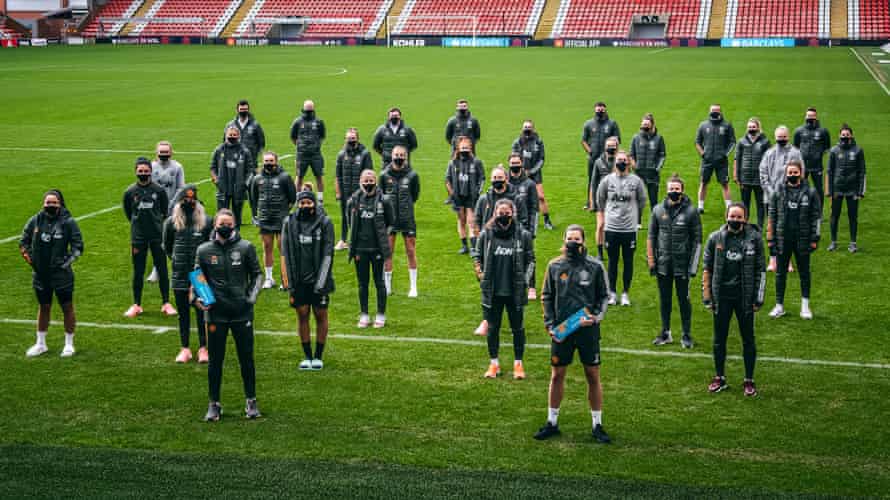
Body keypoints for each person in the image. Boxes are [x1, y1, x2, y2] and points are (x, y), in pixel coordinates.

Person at [534, 224, 611, 444]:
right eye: (570, 238)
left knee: (592, 375)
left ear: (583, 241)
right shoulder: (555, 266)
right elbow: (546, 295)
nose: (573, 242)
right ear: (564, 240)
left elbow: (604, 296)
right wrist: (549, 323)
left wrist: (596, 317)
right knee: (557, 375)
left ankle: (597, 425)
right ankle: (552, 422)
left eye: (577, 239)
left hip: (588, 331)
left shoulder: (595, 266)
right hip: (563, 331)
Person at [194, 209, 263, 421]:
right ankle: (214, 404)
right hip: (216, 315)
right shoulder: (204, 250)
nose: (225, 226)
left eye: (229, 223)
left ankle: (251, 401)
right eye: (221, 223)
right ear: (215, 224)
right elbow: (198, 276)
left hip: (242, 313)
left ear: (234, 225)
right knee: (215, 361)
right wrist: (198, 298)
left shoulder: (246, 247)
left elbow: (258, 274)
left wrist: (250, 298)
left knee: (246, 359)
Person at [702, 203, 765, 397]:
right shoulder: (715, 238)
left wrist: (758, 298)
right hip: (722, 298)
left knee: (748, 339)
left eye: (739, 217)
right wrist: (707, 296)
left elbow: (760, 271)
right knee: (719, 339)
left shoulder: (755, 239)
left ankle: (749, 380)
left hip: (744, 298)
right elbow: (707, 269)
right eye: (732, 216)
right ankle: (719, 377)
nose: (735, 220)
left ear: (745, 219)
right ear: (726, 216)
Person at [473, 199, 534, 380]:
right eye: (501, 212)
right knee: (493, 329)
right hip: (493, 291)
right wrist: (481, 276)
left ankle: (518, 364)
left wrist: (525, 282)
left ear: (513, 214)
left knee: (518, 329)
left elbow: (530, 260)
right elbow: (477, 256)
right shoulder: (486, 235)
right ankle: (494, 364)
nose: (504, 215)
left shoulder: (523, 235)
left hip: (514, 292)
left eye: (507, 212)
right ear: (495, 214)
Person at [19, 190, 83, 358]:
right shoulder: (36, 220)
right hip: (41, 274)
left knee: (67, 307)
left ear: (60, 204)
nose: (50, 206)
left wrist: (65, 263)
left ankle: (69, 344)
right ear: (43, 204)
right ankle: (41, 344)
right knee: (44, 306)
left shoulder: (68, 222)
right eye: (48, 203)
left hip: (61, 275)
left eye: (54, 203)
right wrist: (32, 261)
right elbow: (23, 242)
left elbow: (78, 247)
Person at [281, 189, 335, 370]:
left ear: (314, 204)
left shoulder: (325, 222)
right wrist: (288, 281)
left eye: (308, 203)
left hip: (320, 279)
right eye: (302, 203)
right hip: (298, 280)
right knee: (302, 314)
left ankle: (318, 356)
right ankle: (307, 356)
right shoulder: (289, 222)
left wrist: (321, 282)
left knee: (320, 315)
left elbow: (328, 254)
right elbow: (285, 253)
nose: (305, 206)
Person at [647, 175, 701, 348]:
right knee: (665, 300)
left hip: (682, 265)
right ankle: (666, 332)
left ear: (682, 190)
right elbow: (651, 237)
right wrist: (651, 260)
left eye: (677, 189)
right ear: (666, 190)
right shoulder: (657, 210)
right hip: (663, 264)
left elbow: (697, 241)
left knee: (684, 300)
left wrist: (693, 267)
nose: (674, 191)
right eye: (671, 188)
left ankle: (686, 334)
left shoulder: (691, 211)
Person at [162, 184, 212, 363]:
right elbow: (167, 246)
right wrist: (176, 260)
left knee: (202, 313)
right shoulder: (171, 222)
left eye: (192, 198)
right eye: (185, 198)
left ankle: (203, 348)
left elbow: (211, 247)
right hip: (180, 273)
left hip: (200, 275)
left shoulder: (207, 221)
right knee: (183, 313)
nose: (189, 201)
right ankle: (185, 348)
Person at [122, 157, 175, 318]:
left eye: (146, 171)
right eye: (140, 171)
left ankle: (166, 303)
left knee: (162, 268)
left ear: (151, 172)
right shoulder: (130, 192)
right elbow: (128, 213)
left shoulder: (159, 191)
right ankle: (137, 304)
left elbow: (165, 212)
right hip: (138, 237)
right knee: (138, 271)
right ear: (136, 172)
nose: (143, 173)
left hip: (157, 236)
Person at [767, 160, 820, 320]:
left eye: (795, 172)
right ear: (786, 174)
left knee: (804, 273)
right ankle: (779, 306)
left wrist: (814, 238)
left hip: (802, 239)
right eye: (789, 173)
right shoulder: (778, 191)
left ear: (801, 173)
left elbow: (816, 217)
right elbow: (772, 214)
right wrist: (770, 237)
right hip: (783, 238)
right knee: (780, 273)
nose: (792, 175)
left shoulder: (810, 192)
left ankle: (805, 307)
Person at [596, 150, 646, 306]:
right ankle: (612, 293)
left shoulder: (636, 181)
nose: (621, 162)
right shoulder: (607, 181)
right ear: (615, 162)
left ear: (629, 162)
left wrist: (635, 217)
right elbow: (600, 199)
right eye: (619, 159)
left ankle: (625, 293)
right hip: (611, 228)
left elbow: (642, 200)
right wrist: (607, 216)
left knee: (628, 260)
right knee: (612, 261)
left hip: (629, 229)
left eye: (624, 159)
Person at [347, 170, 394, 329]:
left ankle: (381, 315)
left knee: (379, 282)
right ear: (360, 181)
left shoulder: (384, 200)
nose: (368, 183)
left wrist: (381, 239)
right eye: (365, 180)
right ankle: (364, 314)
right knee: (362, 283)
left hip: (377, 249)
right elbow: (350, 222)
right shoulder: (353, 200)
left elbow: (390, 221)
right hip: (360, 249)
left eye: (371, 180)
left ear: (376, 181)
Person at [248, 151, 297, 289]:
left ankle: (285, 280)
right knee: (267, 247)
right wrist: (256, 215)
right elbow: (253, 198)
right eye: (266, 161)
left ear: (276, 161)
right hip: (265, 219)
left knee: (283, 249)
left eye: (271, 161)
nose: (268, 163)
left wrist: (284, 212)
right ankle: (269, 279)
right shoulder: (257, 179)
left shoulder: (285, 177)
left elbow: (292, 198)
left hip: (281, 219)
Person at [759, 125, 802, 272]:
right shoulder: (769, 153)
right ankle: (772, 260)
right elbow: (763, 174)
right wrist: (772, 194)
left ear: (788, 137)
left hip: (790, 198)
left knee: (787, 230)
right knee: (771, 228)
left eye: (784, 137)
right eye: (779, 138)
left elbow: (801, 173)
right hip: (770, 199)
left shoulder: (796, 153)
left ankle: (788, 261)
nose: (781, 140)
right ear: (775, 137)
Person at [380, 145, 421, 298]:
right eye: (396, 154)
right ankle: (387, 287)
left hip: (407, 218)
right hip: (390, 220)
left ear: (406, 156)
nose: (399, 157)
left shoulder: (412, 175)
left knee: (410, 251)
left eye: (402, 155)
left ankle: (413, 287)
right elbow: (381, 195)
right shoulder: (384, 175)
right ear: (391, 156)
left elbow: (415, 195)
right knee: (388, 252)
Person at [146, 141, 186, 283]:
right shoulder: (151, 167)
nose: (164, 155)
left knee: (174, 241)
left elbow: (181, 189)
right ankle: (157, 269)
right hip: (154, 210)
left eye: (166, 152)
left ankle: (177, 268)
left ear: (171, 152)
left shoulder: (177, 167)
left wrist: (171, 205)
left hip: (173, 210)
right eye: (161, 153)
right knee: (156, 241)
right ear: (156, 153)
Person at [827, 124, 866, 253]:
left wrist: (860, 191)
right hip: (837, 189)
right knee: (834, 216)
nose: (845, 137)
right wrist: (829, 191)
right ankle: (833, 242)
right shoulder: (834, 151)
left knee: (853, 217)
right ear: (839, 135)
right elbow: (829, 171)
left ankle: (853, 243)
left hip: (852, 190)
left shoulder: (858, 151)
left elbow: (862, 172)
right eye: (843, 135)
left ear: (851, 135)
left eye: (847, 135)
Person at [507, 152, 539, 300]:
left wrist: (532, 230)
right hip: (507, 228)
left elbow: (534, 208)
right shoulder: (505, 183)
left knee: (529, 258)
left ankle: (531, 286)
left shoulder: (530, 184)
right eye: (512, 163)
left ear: (521, 164)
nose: (514, 165)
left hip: (524, 228)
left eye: (517, 163)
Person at [335, 128, 373, 251]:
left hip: (359, 192)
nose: (351, 140)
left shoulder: (365, 154)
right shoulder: (341, 154)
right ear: (345, 139)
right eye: (349, 138)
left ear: (357, 138)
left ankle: (358, 241)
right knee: (344, 216)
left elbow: (369, 174)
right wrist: (338, 192)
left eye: (353, 138)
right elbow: (338, 175)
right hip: (345, 191)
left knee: (360, 216)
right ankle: (343, 240)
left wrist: (366, 192)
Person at [445, 136, 486, 254]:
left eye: (467, 147)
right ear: (458, 148)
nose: (464, 150)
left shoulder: (476, 162)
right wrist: (452, 194)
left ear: (471, 148)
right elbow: (447, 180)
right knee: (461, 221)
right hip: (458, 197)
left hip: (471, 197)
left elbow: (482, 178)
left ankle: (473, 248)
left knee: (471, 222)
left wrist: (478, 192)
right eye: (462, 147)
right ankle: (464, 246)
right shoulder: (453, 163)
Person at [210, 126, 256, 229]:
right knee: (221, 216)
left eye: (234, 135)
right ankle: (220, 237)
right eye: (230, 135)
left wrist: (245, 184)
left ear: (239, 136)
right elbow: (212, 167)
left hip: (238, 189)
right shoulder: (219, 150)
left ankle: (236, 238)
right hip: (223, 188)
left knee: (237, 217)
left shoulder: (245, 151)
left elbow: (251, 170)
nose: (232, 137)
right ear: (226, 135)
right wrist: (216, 180)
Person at [512, 120, 553, 230]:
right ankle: (519, 220)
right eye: (525, 126)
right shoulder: (517, 142)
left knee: (541, 197)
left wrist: (531, 171)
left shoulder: (538, 142)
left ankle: (547, 220)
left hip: (535, 174)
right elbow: (513, 158)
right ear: (522, 128)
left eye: (529, 127)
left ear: (533, 129)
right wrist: (521, 171)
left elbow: (541, 159)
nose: (527, 128)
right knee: (519, 197)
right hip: (520, 175)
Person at [695, 104, 736, 214]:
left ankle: (729, 207)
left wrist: (725, 154)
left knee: (725, 184)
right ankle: (700, 207)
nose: (715, 112)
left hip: (721, 161)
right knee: (703, 182)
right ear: (709, 111)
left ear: (721, 112)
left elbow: (732, 142)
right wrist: (703, 154)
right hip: (707, 161)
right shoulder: (703, 125)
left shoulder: (727, 126)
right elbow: (697, 142)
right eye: (713, 110)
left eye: (717, 110)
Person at [581, 102, 621, 210]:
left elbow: (617, 140)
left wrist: (614, 154)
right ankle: (590, 202)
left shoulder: (612, 124)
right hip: (593, 159)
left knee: (611, 179)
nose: (600, 111)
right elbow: (583, 141)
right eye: (598, 109)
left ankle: (612, 201)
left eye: (602, 109)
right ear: (595, 110)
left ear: (605, 110)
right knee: (592, 180)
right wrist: (590, 152)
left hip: (608, 158)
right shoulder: (588, 124)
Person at [733, 118, 770, 229]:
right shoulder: (741, 141)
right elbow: (737, 159)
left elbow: (769, 160)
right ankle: (744, 225)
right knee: (745, 204)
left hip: (759, 179)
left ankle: (759, 226)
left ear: (758, 128)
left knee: (760, 204)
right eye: (749, 127)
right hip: (745, 178)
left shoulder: (765, 142)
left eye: (753, 127)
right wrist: (736, 175)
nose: (751, 129)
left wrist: (766, 177)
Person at [793, 107, 831, 211]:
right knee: (800, 188)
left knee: (819, 190)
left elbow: (826, 147)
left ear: (816, 117)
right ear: (805, 117)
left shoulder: (823, 131)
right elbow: (796, 147)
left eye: (812, 116)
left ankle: (819, 211)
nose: (810, 118)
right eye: (808, 116)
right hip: (802, 167)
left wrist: (817, 155)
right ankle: (799, 209)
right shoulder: (799, 131)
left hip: (817, 166)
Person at [289, 100, 326, 202]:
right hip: (302, 155)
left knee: (319, 175)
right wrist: (301, 146)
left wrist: (316, 146)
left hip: (316, 155)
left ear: (313, 110)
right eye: (307, 110)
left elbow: (322, 136)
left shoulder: (319, 122)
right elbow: (293, 137)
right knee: (299, 176)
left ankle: (320, 199)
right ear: (303, 110)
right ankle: (297, 198)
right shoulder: (297, 122)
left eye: (310, 111)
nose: (308, 113)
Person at [588, 136, 619, 259]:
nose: (610, 148)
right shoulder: (598, 162)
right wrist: (592, 201)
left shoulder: (621, 161)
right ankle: (600, 252)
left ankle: (611, 247)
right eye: (608, 146)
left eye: (613, 146)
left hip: (616, 200)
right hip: (601, 199)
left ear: (617, 147)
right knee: (600, 225)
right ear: (605, 147)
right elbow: (593, 183)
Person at [630, 113, 666, 210]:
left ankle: (654, 222)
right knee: (637, 199)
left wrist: (657, 168)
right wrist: (634, 166)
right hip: (639, 174)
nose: (644, 126)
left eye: (647, 124)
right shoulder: (636, 138)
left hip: (652, 174)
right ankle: (637, 223)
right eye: (643, 124)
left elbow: (662, 155)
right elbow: (631, 155)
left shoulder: (659, 138)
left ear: (652, 125)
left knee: (653, 200)